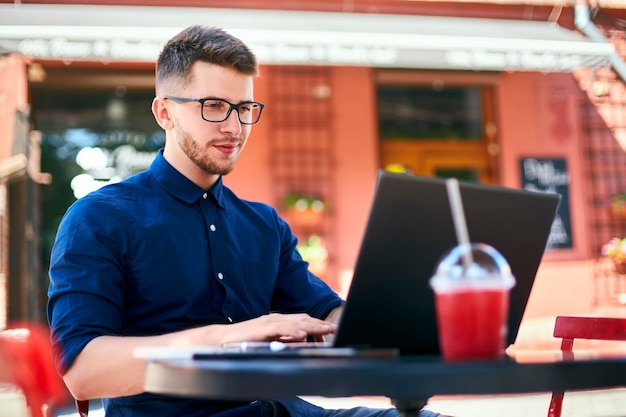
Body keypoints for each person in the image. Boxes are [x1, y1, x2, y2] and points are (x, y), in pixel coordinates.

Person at [47, 25, 447, 417]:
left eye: (244, 108)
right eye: (214, 106)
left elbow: (327, 315)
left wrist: (397, 321)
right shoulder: (99, 218)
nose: (234, 127)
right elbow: (83, 372)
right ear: (164, 112)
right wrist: (227, 337)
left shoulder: (263, 225)